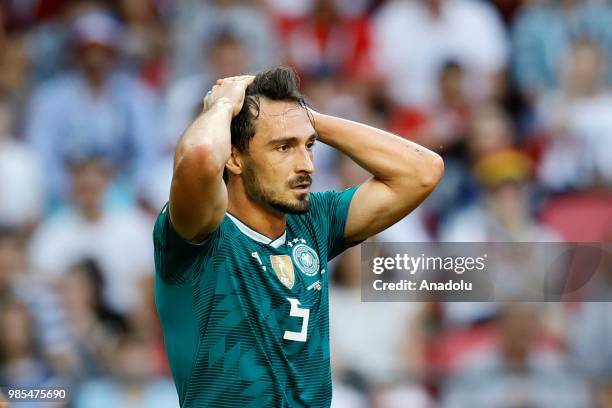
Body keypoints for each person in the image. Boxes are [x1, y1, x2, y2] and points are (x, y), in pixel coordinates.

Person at [153, 66, 444, 407]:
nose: (307, 164)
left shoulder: (315, 222)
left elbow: (422, 171)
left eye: (308, 146)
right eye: (283, 148)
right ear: (233, 158)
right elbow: (200, 156)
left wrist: (308, 120)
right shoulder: (200, 235)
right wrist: (222, 107)